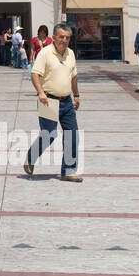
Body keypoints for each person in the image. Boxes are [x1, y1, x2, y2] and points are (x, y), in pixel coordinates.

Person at [24, 23, 82, 182]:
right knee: (49, 134)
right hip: (48, 100)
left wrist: (76, 95)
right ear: (54, 37)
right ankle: (30, 158)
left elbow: (74, 76)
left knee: (72, 135)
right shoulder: (45, 53)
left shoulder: (70, 54)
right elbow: (35, 74)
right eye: (61, 37)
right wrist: (41, 92)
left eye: (67, 38)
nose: (64, 40)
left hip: (67, 101)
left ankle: (68, 171)